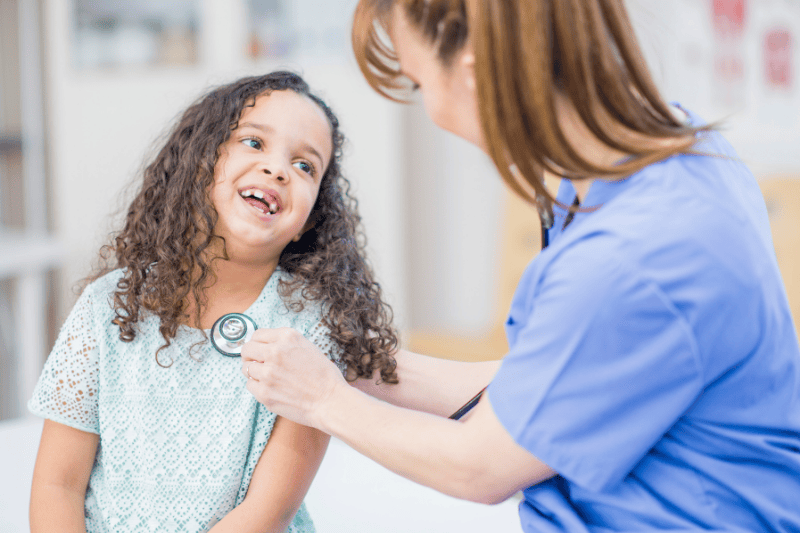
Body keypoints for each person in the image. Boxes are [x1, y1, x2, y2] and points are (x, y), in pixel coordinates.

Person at [241, 1, 800, 531]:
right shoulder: (676, 150)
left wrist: (323, 399)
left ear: (474, 72)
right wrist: (349, 361)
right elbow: (553, 377)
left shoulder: (632, 258)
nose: (432, 111)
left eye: (419, 84)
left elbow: (478, 466)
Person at [27, 71, 398, 533]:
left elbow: (270, 511)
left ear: (310, 217)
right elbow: (57, 485)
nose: (279, 169)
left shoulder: (311, 328)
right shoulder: (108, 306)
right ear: (201, 161)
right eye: (254, 142)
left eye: (306, 166)